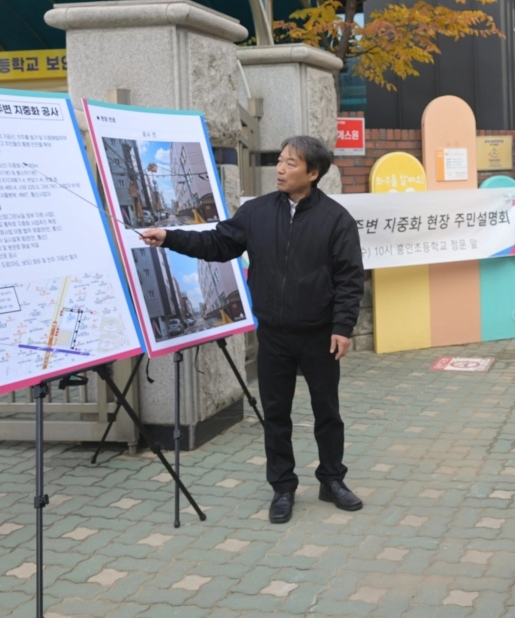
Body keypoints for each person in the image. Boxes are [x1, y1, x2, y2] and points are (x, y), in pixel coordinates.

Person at [140, 136, 365, 525]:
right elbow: (217, 243)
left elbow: (349, 278)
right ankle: (282, 487)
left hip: (319, 335)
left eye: (290, 163)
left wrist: (343, 327)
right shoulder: (256, 212)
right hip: (274, 334)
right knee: (275, 414)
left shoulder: (336, 220)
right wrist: (170, 237)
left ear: (313, 173)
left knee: (327, 412)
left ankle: (332, 479)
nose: (279, 169)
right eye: (279, 160)